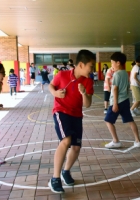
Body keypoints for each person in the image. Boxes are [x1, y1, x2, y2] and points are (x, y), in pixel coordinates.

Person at [48, 49, 95, 193]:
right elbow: (51, 85)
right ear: (81, 64)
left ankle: (65, 171)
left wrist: (84, 93)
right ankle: (55, 179)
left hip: (77, 115)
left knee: (76, 147)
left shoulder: (88, 81)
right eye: (91, 66)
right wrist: (55, 93)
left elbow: (87, 104)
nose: (92, 69)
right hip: (61, 111)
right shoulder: (62, 75)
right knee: (66, 141)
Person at [104, 52, 140, 149]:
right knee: (130, 120)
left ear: (118, 63)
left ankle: (116, 141)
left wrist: (115, 103)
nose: (111, 65)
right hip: (125, 100)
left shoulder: (117, 74)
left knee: (108, 121)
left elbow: (115, 88)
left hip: (117, 101)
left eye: (112, 63)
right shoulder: (125, 72)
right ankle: (137, 141)